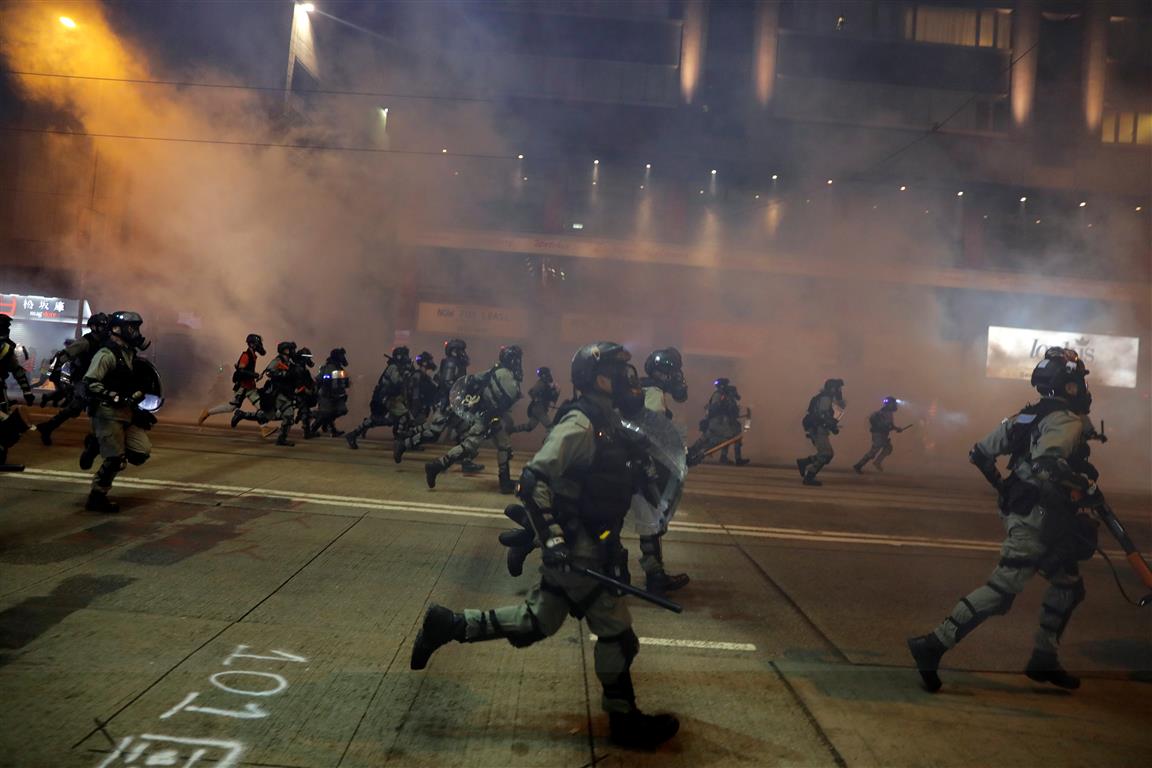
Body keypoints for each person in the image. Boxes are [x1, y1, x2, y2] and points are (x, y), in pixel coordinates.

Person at [409, 341, 680, 750]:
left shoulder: (611, 422)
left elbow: (624, 470)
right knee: (618, 634)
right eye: (617, 371)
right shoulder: (581, 424)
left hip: (594, 544)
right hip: (578, 548)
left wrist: (647, 467)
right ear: (599, 379)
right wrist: (552, 539)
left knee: (538, 621)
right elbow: (534, 481)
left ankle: (449, 624)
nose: (629, 378)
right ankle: (624, 721)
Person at [907, 348, 1101, 693]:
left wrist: (1007, 489)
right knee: (1002, 590)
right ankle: (932, 644)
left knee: (1069, 585)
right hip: (1038, 518)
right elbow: (1046, 465)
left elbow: (979, 453)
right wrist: (1084, 484)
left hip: (1034, 515)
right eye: (1078, 382)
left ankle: (1044, 659)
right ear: (1070, 386)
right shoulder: (1067, 420)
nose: (1082, 388)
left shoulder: (1028, 416)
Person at [79, 311, 159, 513]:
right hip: (107, 413)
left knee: (141, 452)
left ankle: (97, 442)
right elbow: (89, 383)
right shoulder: (106, 354)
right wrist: (114, 396)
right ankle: (97, 496)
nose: (136, 332)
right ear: (117, 329)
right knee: (116, 460)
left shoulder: (129, 353)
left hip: (126, 413)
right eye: (132, 328)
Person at [422, 345, 522, 493]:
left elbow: (473, 380)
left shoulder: (494, 370)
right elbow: (512, 396)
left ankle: (505, 482)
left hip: (490, 415)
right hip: (488, 417)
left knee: (504, 445)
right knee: (469, 445)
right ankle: (436, 466)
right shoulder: (506, 376)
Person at [634, 347, 690, 595]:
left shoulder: (638, 389)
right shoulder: (654, 394)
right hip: (637, 465)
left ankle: (622, 569)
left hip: (628, 462)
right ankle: (655, 577)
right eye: (673, 371)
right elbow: (652, 432)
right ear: (664, 373)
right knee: (651, 520)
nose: (677, 376)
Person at [393, 339, 485, 473]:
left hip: (455, 406)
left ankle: (466, 461)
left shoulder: (457, 364)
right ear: (454, 351)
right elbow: (448, 384)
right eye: (461, 350)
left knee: (466, 433)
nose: (463, 353)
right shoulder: (451, 363)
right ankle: (403, 445)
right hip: (447, 406)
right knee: (433, 434)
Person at [36, 313, 111, 445]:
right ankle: (48, 427)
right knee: (79, 406)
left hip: (99, 379)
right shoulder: (85, 341)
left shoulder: (105, 342)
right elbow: (63, 356)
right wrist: (55, 371)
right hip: (83, 379)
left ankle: (48, 427)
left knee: (88, 408)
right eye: (102, 326)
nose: (105, 329)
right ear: (94, 327)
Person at [346, 346, 414, 449]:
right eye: (405, 356)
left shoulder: (397, 367)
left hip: (389, 398)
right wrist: (406, 373)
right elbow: (398, 382)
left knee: (381, 420)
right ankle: (400, 441)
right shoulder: (393, 367)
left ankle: (354, 434)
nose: (407, 358)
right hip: (385, 398)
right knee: (403, 415)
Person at [197, 333, 265, 428]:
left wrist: (254, 376)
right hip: (243, 388)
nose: (260, 346)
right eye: (258, 343)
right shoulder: (246, 355)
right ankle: (207, 412)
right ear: (251, 344)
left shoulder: (253, 356)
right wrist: (254, 375)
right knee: (231, 407)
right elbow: (241, 370)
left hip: (250, 388)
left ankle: (264, 429)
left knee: (262, 408)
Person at [1, 313, 36, 468]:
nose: (7, 330)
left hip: (0, 389)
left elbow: (17, 370)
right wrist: (27, 391)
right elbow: (18, 371)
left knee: (6, 421)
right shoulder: (8, 347)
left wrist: (27, 392)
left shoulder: (8, 348)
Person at [687, 378, 748, 466]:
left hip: (721, 422)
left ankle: (727, 457)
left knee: (730, 436)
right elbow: (714, 408)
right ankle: (696, 454)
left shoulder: (724, 394)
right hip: (718, 422)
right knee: (726, 437)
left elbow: (734, 403)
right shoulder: (719, 395)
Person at [797, 378, 844, 486]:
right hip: (818, 428)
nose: (839, 390)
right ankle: (809, 477)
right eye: (838, 388)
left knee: (827, 455)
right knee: (826, 454)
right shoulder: (826, 398)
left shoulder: (826, 397)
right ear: (833, 388)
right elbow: (822, 415)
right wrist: (832, 426)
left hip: (818, 428)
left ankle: (804, 463)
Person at [256, 341, 301, 446]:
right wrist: (283, 374)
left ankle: (281, 439)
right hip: (277, 393)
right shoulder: (278, 361)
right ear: (285, 350)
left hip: (287, 393)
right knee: (268, 415)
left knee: (289, 417)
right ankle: (245, 415)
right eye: (290, 349)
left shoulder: (289, 363)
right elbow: (268, 372)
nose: (292, 352)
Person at [853, 396, 908, 473]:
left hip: (882, 434)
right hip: (878, 434)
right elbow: (885, 425)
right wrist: (896, 429)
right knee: (874, 451)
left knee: (888, 448)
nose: (895, 405)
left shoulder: (888, 413)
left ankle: (877, 462)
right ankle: (858, 465)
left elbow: (889, 425)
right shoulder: (883, 413)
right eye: (893, 403)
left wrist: (896, 428)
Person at [307, 347, 351, 437]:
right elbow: (322, 380)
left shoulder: (339, 369)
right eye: (341, 356)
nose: (343, 358)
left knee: (341, 410)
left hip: (337, 395)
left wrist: (345, 385)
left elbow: (343, 382)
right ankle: (313, 427)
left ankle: (317, 417)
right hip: (326, 395)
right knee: (326, 413)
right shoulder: (329, 367)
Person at [510, 366, 560, 433]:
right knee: (550, 427)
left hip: (539, 409)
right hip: (539, 409)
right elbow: (531, 392)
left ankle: (511, 430)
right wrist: (537, 399)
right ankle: (549, 441)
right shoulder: (541, 383)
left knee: (529, 426)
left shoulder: (548, 384)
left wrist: (555, 392)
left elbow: (550, 396)